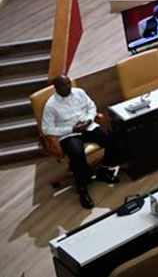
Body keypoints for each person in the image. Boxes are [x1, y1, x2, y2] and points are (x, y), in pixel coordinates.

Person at [41, 75, 121, 209]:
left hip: (87, 126)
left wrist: (89, 119)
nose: (67, 87)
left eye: (68, 84)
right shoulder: (51, 105)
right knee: (77, 154)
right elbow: (47, 128)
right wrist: (71, 128)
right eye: (63, 85)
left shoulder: (79, 92)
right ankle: (82, 187)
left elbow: (91, 106)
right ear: (56, 88)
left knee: (110, 138)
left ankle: (104, 169)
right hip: (69, 133)